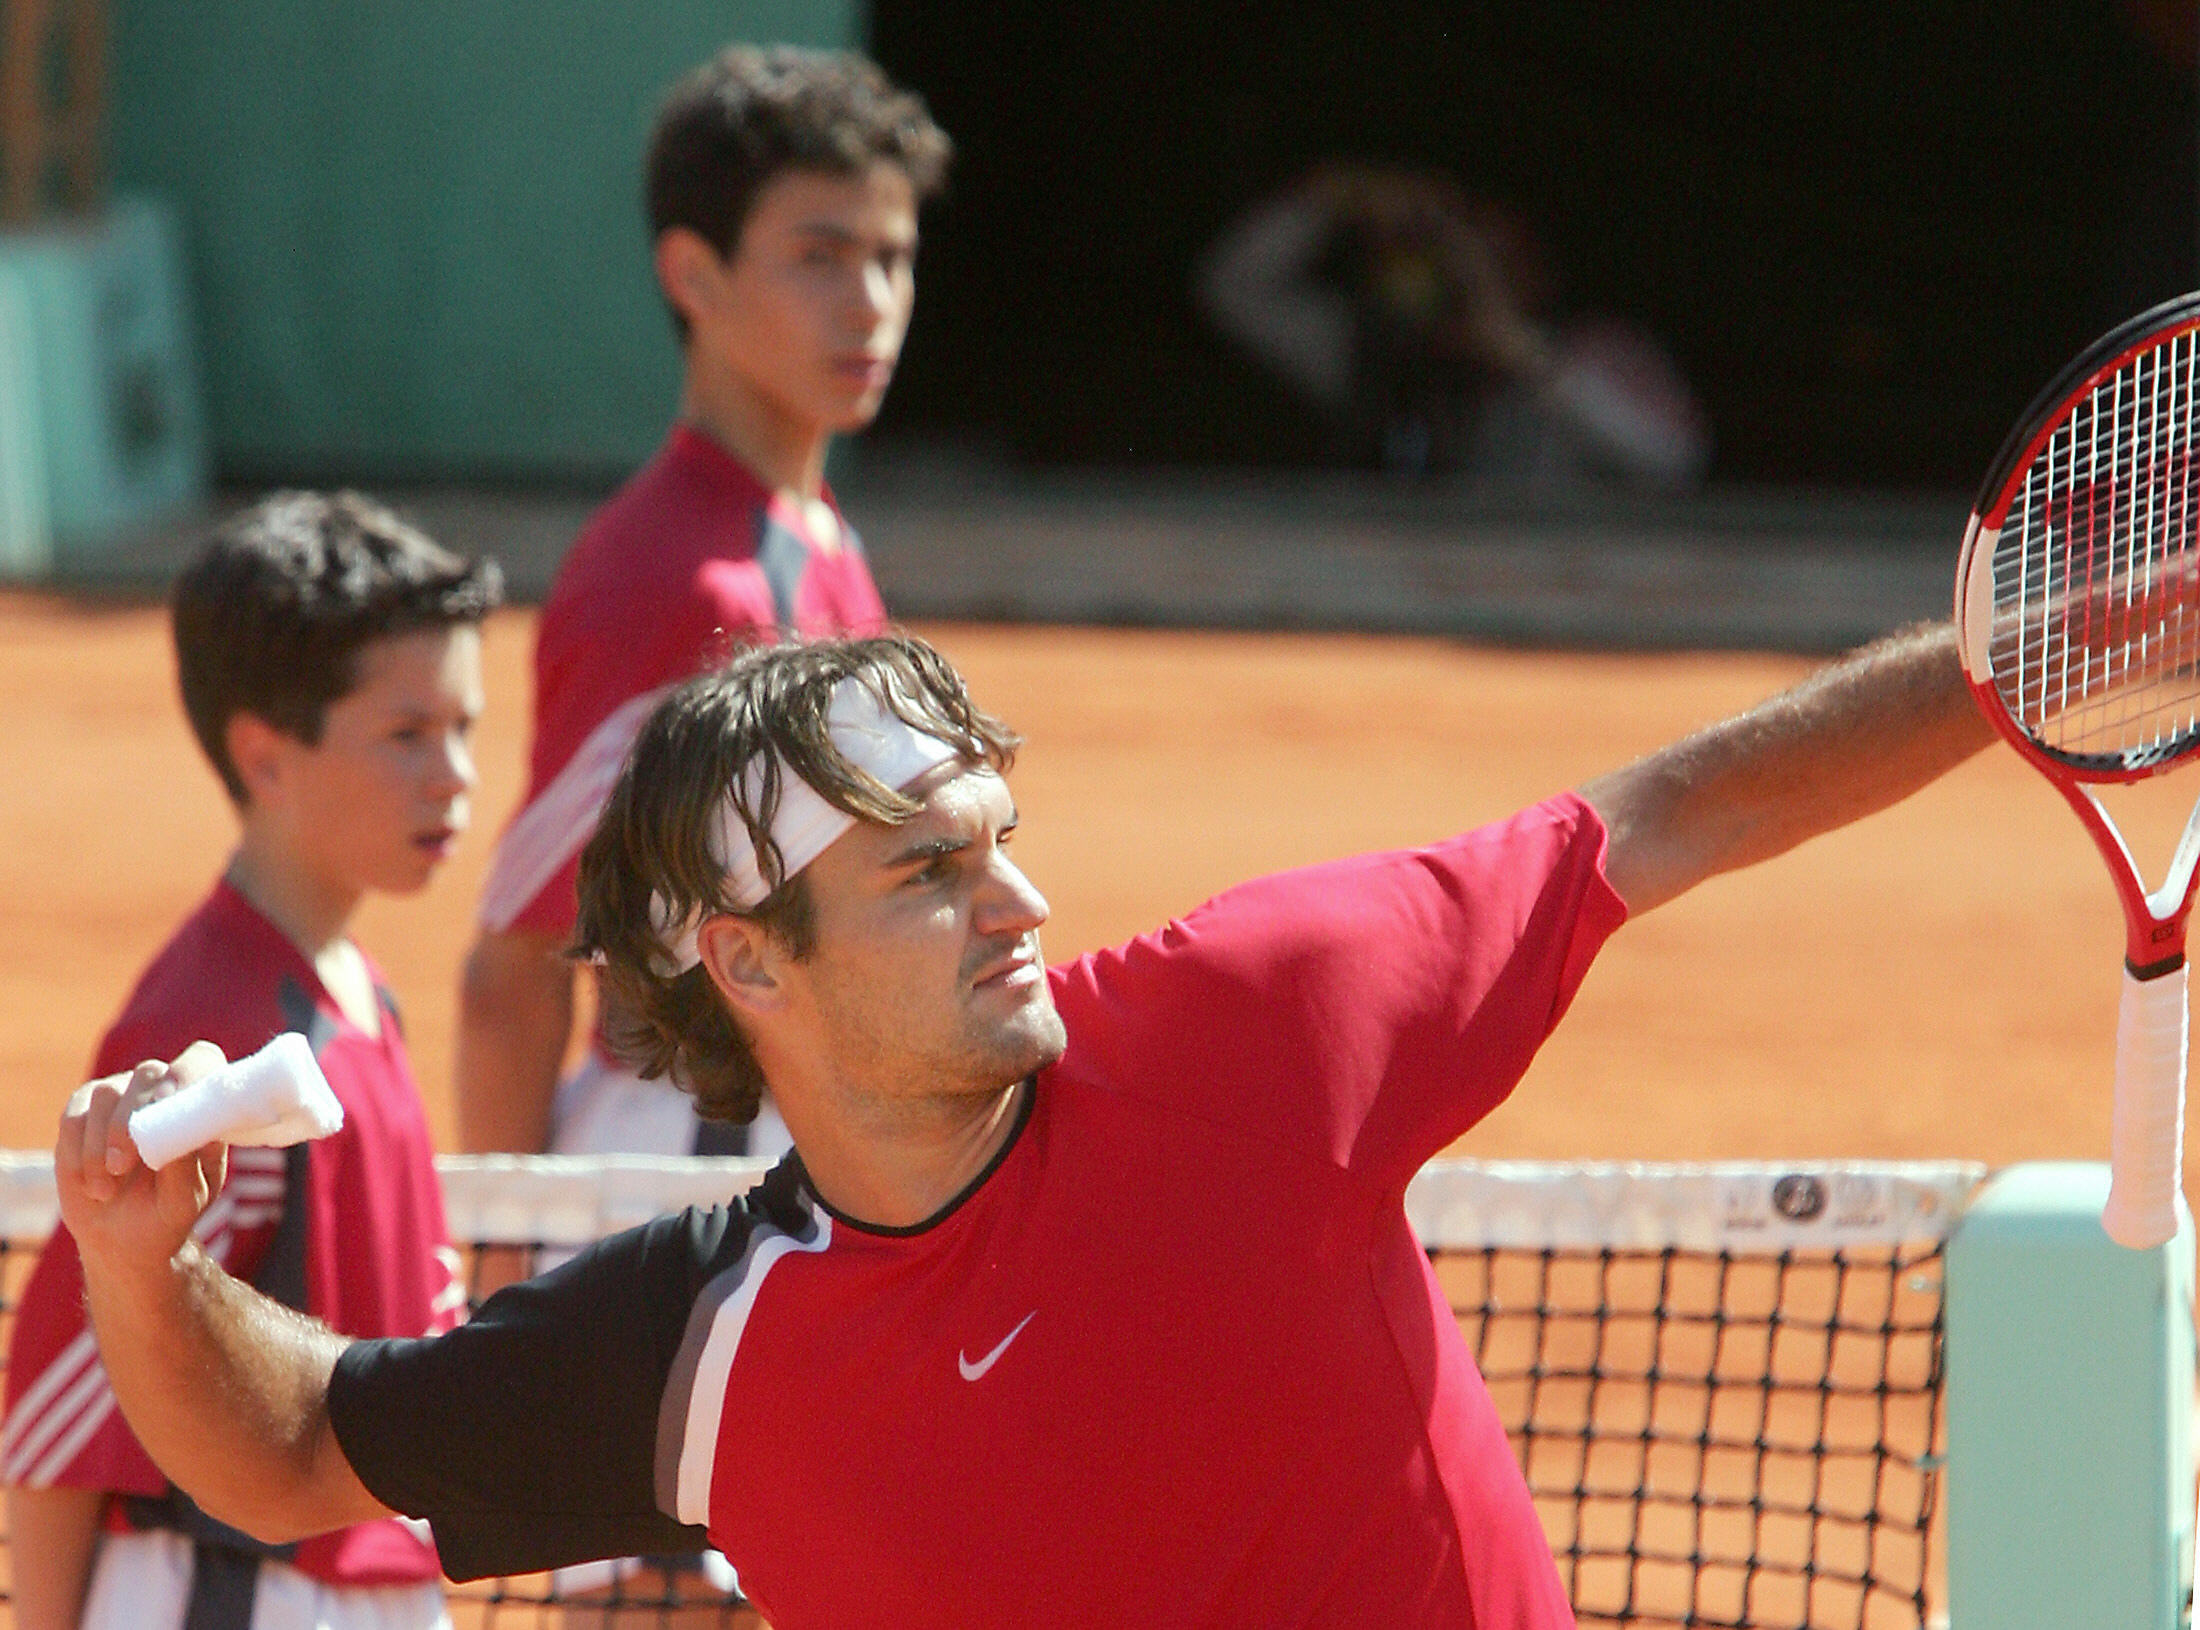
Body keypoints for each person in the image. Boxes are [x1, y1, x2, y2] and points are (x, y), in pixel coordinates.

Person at [52, 624, 1995, 1628]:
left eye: (1000, 842)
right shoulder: (704, 1354)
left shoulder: (1263, 1018)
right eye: (925, 872)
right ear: (752, 958)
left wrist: (2021, 655)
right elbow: (297, 1443)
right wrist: (145, 1265)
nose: (1017, 900)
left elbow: (1661, 814)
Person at [4, 493, 498, 1630]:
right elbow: (56, 1393)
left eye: (466, 726)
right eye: (408, 733)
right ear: (265, 757)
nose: (455, 773)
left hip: (370, 1589)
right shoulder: (204, 1034)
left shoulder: (359, 990)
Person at [457, 44, 952, 1170]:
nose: (869, 304)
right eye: (819, 257)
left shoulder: (819, 535)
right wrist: (500, 1268)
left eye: (891, 257)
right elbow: (517, 968)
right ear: (694, 275)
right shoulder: (672, 580)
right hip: (676, 1178)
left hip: (788, 1156)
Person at [1196, 163, 1710, 486]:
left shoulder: (1597, 351)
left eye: (1496, 260)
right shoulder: (1383, 359)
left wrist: (1520, 350)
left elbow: (1674, 460)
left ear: (1539, 273)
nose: (1473, 278)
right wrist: (1330, 193)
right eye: (1457, 260)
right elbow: (1234, 289)